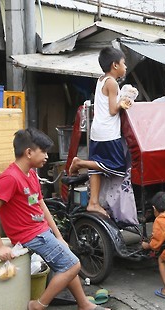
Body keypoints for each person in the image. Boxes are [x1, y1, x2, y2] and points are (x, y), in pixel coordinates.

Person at [0, 128, 111, 310]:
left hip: (41, 231)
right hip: (30, 235)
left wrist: (59, 236)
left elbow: (40, 204)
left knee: (67, 260)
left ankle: (84, 305)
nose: (47, 156)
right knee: (72, 266)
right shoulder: (10, 178)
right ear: (29, 153)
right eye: (43, 151)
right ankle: (37, 309)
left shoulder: (31, 174)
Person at [69, 47, 132, 217]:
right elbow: (113, 109)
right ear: (115, 65)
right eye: (123, 63)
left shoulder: (101, 80)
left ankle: (93, 202)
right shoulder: (112, 82)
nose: (125, 67)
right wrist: (122, 103)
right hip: (108, 133)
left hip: (97, 131)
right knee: (118, 166)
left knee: (96, 167)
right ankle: (79, 163)